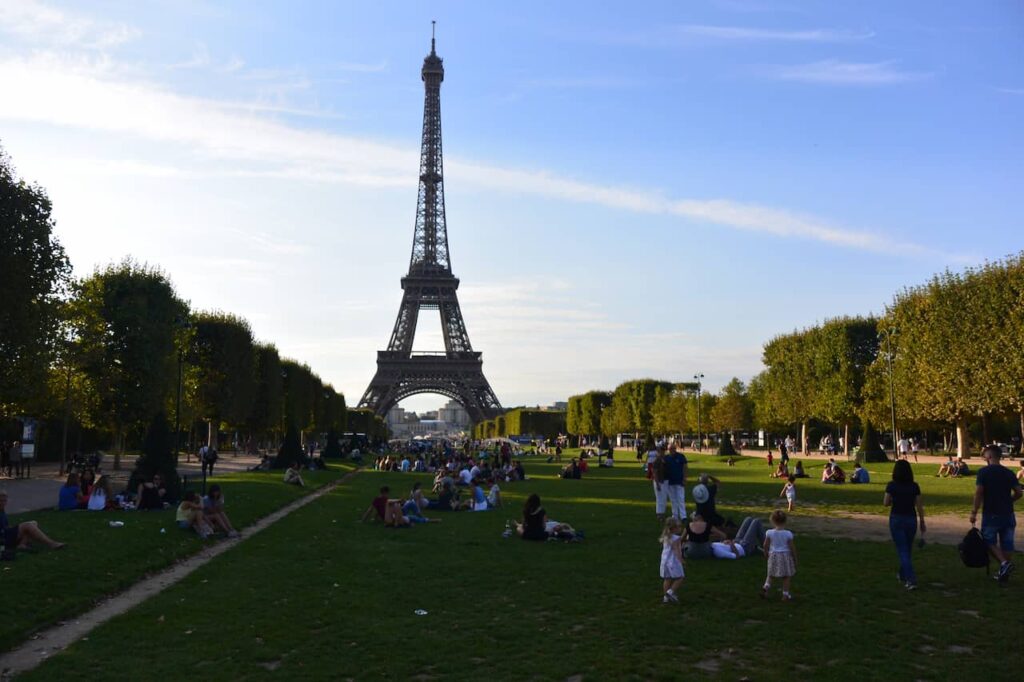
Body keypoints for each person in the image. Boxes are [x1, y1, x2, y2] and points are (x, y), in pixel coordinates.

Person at [970, 444, 1022, 582]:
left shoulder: (984, 472)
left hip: (991, 512)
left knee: (988, 540)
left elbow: (979, 493)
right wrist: (1010, 500)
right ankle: (1004, 572)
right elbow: (1018, 492)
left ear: (990, 456)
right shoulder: (1009, 472)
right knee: (1007, 543)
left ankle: (1004, 564)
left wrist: (974, 512)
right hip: (1008, 513)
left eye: (985, 454)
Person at [884, 459, 925, 590]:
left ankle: (910, 579)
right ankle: (902, 574)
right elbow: (919, 506)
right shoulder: (914, 486)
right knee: (907, 548)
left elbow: (885, 502)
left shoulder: (891, 485)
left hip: (896, 518)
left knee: (902, 550)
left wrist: (893, 500)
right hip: (911, 519)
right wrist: (922, 521)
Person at [0, 490, 65, 551]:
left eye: (4, 501)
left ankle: (22, 544)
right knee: (27, 525)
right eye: (1, 501)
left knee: (33, 522)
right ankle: (51, 544)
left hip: (6, 533)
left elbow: (5, 525)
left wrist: (10, 528)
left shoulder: (2, 510)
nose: (3, 503)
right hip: (3, 538)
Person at [761, 510, 797, 601]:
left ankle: (765, 588)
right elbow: (792, 548)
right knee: (786, 576)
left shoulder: (769, 532)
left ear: (772, 521)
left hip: (773, 555)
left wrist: (765, 552)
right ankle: (785, 594)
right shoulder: (788, 534)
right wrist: (795, 558)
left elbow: (765, 545)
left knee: (770, 574)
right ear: (785, 521)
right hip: (785, 556)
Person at [659, 517, 685, 604]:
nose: (680, 528)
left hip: (664, 561)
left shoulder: (665, 537)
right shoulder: (676, 538)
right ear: (674, 528)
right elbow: (676, 549)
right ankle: (670, 592)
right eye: (679, 527)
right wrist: (680, 559)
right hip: (673, 561)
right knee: (680, 577)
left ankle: (665, 598)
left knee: (667, 579)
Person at [664, 444, 688, 521]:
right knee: (673, 500)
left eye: (673, 448)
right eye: (670, 449)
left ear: (675, 449)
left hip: (679, 481)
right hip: (670, 482)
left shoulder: (681, 456)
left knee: (681, 499)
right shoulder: (666, 458)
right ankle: (675, 515)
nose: (671, 450)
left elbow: (685, 467)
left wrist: (684, 478)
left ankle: (683, 516)